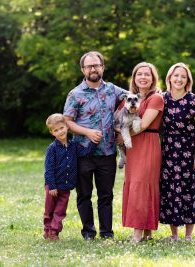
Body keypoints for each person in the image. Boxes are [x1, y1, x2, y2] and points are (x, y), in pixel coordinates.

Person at [63, 51, 127, 240]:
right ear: (83, 69)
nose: (93, 69)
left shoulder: (113, 90)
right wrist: (87, 132)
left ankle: (107, 233)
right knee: (84, 195)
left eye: (96, 65)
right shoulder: (75, 94)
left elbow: (136, 98)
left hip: (107, 152)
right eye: (89, 66)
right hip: (83, 152)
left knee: (106, 196)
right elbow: (67, 121)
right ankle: (88, 232)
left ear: (102, 67)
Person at [159, 62, 195, 242]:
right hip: (169, 151)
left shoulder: (194, 100)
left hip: (188, 150)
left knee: (189, 190)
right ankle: (174, 235)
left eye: (183, 76)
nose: (179, 79)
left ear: (187, 80)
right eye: (176, 75)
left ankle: (188, 235)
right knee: (171, 190)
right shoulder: (162, 99)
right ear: (169, 78)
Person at [121, 62, 164, 242]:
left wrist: (122, 136)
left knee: (143, 185)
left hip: (148, 142)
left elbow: (144, 124)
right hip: (133, 147)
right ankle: (147, 232)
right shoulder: (130, 98)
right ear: (134, 77)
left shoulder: (156, 98)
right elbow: (120, 120)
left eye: (147, 74)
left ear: (153, 78)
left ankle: (137, 234)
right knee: (135, 184)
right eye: (139, 74)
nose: (143, 77)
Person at [43, 113, 95, 241]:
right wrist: (52, 186)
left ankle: (54, 232)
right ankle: (47, 231)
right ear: (52, 133)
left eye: (61, 128)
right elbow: (48, 170)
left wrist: (94, 141)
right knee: (49, 210)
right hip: (52, 187)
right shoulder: (52, 148)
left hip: (65, 187)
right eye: (56, 130)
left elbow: (85, 152)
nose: (60, 132)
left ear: (67, 127)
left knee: (60, 211)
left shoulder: (74, 146)